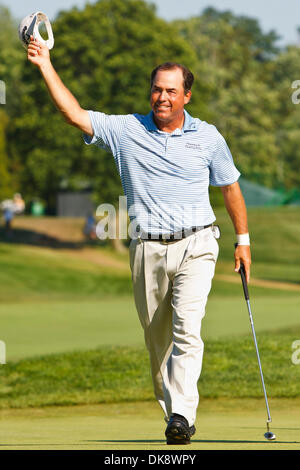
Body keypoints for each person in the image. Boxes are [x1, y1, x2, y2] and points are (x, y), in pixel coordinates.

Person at [27, 37, 251, 445]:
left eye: (171, 90)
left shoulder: (209, 137)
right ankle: (174, 413)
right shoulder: (126, 129)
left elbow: (230, 186)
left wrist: (243, 240)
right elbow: (73, 114)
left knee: (188, 329)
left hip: (198, 244)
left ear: (186, 95)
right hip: (147, 248)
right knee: (158, 343)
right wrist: (44, 64)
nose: (162, 97)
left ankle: (181, 416)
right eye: (157, 89)